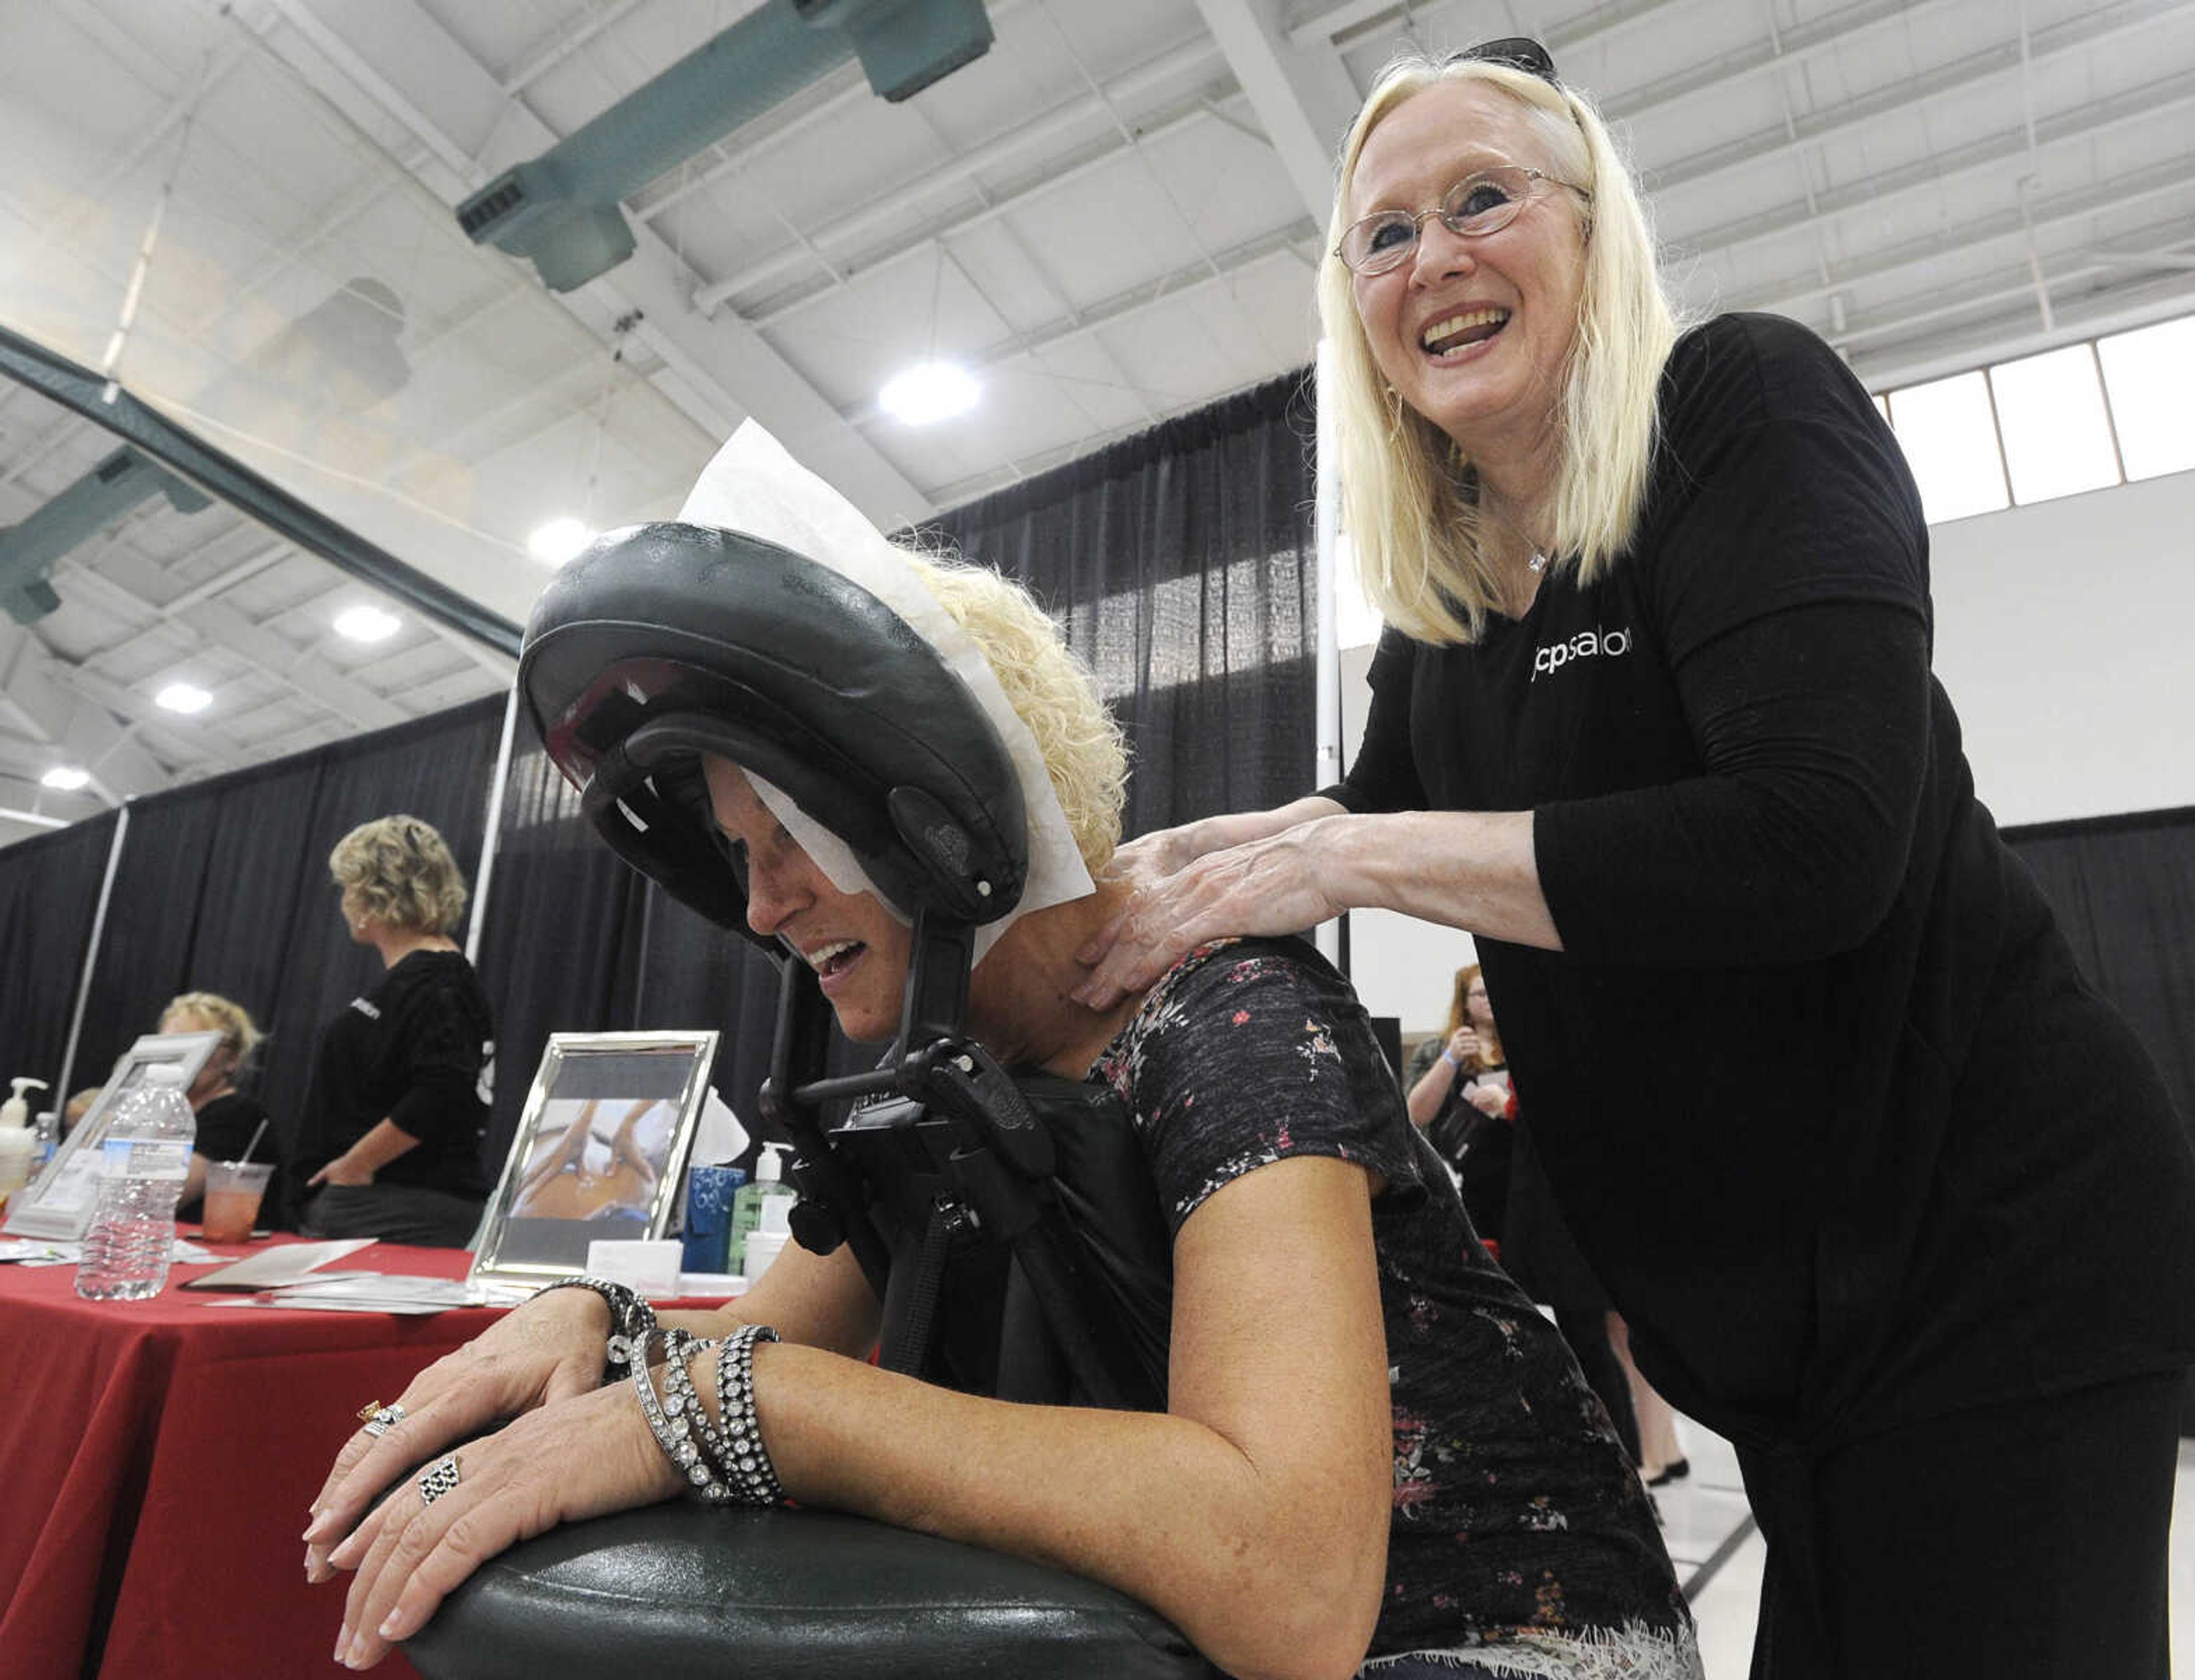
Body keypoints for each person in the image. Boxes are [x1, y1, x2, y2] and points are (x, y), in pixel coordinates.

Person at [1070, 38, 2195, 1679]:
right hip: (1787, 1344)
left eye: (1482, 201)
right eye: (1385, 235)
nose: (1435, 259)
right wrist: (1116, 890)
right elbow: (1336, 827)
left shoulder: (1738, 407)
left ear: (1593, 232)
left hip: (1992, 1274)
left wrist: (1349, 856)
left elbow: (1817, 836)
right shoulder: (1446, 610)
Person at [302, 513, 1699, 1677]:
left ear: (941, 791)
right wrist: (591, 1322)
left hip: (1516, 1640)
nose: (764, 902)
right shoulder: (943, 1078)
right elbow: (744, 1353)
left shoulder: (1225, 1012)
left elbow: (1288, 1581)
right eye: (738, 852)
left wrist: (771, 1404)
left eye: (789, 834)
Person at [293, 815, 494, 1247]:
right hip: (385, 1201)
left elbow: (445, 1089)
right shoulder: (424, 980)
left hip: (395, 1202)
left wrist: (356, 1165)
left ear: (376, 893)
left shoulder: (437, 981)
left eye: (349, 886)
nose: (344, 900)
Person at [157, 990, 279, 1223]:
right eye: (169, 1044)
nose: (179, 1056)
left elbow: (164, 1198)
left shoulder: (236, 1114)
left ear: (232, 1060)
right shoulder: (168, 1111)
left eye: (196, 1045)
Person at [1402, 963, 1509, 1163]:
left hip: (1516, 1168)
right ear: (1465, 1003)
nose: (1490, 999)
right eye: (1482, 994)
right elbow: (1415, 1115)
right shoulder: (1435, 1050)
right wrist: (1451, 1058)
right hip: (1458, 1168)